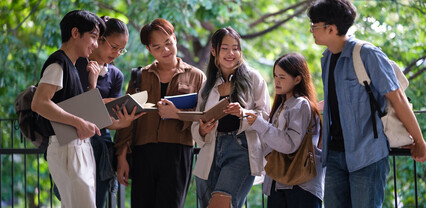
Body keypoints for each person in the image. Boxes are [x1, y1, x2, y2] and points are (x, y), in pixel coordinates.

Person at [307, 0, 426, 208]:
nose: (311, 31)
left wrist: (420, 141)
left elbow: (398, 98)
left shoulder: (367, 54)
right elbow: (339, 101)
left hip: (367, 156)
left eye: (314, 25)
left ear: (331, 28)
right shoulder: (327, 59)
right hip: (334, 157)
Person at [114, 18, 205, 208]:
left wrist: (177, 114)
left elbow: (204, 117)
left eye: (168, 43)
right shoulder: (140, 77)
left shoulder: (196, 76)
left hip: (178, 152)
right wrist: (122, 157)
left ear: (175, 39)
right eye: (157, 47)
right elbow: (125, 119)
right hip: (143, 153)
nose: (165, 50)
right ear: (149, 49)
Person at [31, 10, 105, 208]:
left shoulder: (70, 65)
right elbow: (39, 103)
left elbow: (80, 110)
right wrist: (78, 122)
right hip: (67, 147)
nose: (96, 44)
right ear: (75, 33)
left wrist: (92, 84)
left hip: (75, 147)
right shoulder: (58, 63)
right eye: (93, 37)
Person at [191, 27, 270, 208]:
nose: (231, 53)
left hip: (241, 148)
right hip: (210, 150)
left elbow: (266, 117)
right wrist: (202, 129)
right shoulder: (207, 85)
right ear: (214, 51)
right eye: (225, 48)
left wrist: (244, 114)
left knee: (221, 204)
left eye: (235, 48)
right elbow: (196, 124)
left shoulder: (253, 78)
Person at [75, 16, 142, 208]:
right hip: (77, 142)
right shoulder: (76, 65)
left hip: (101, 145)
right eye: (114, 47)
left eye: (121, 50)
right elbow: (79, 109)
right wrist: (93, 85)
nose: (117, 53)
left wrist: (123, 123)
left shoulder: (116, 75)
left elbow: (107, 118)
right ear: (99, 39)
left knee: (98, 201)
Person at [246, 53, 324, 208]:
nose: (276, 81)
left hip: (300, 186)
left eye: (282, 77)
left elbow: (289, 144)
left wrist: (259, 123)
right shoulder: (284, 104)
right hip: (283, 182)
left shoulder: (300, 104)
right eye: (275, 76)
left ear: (297, 79)